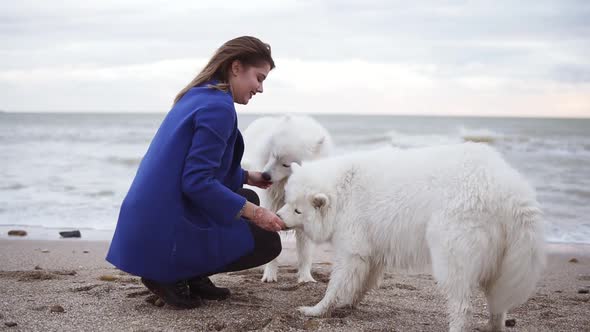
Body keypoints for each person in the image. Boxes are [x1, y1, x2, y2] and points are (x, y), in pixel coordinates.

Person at [106, 36, 286, 309]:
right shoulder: (219, 108)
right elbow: (197, 182)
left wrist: (249, 177)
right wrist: (256, 213)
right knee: (267, 242)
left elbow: (193, 166)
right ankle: (170, 274)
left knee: (247, 194)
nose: (260, 88)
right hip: (161, 231)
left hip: (145, 219)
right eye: (258, 78)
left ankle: (193, 274)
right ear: (236, 67)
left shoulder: (200, 94)